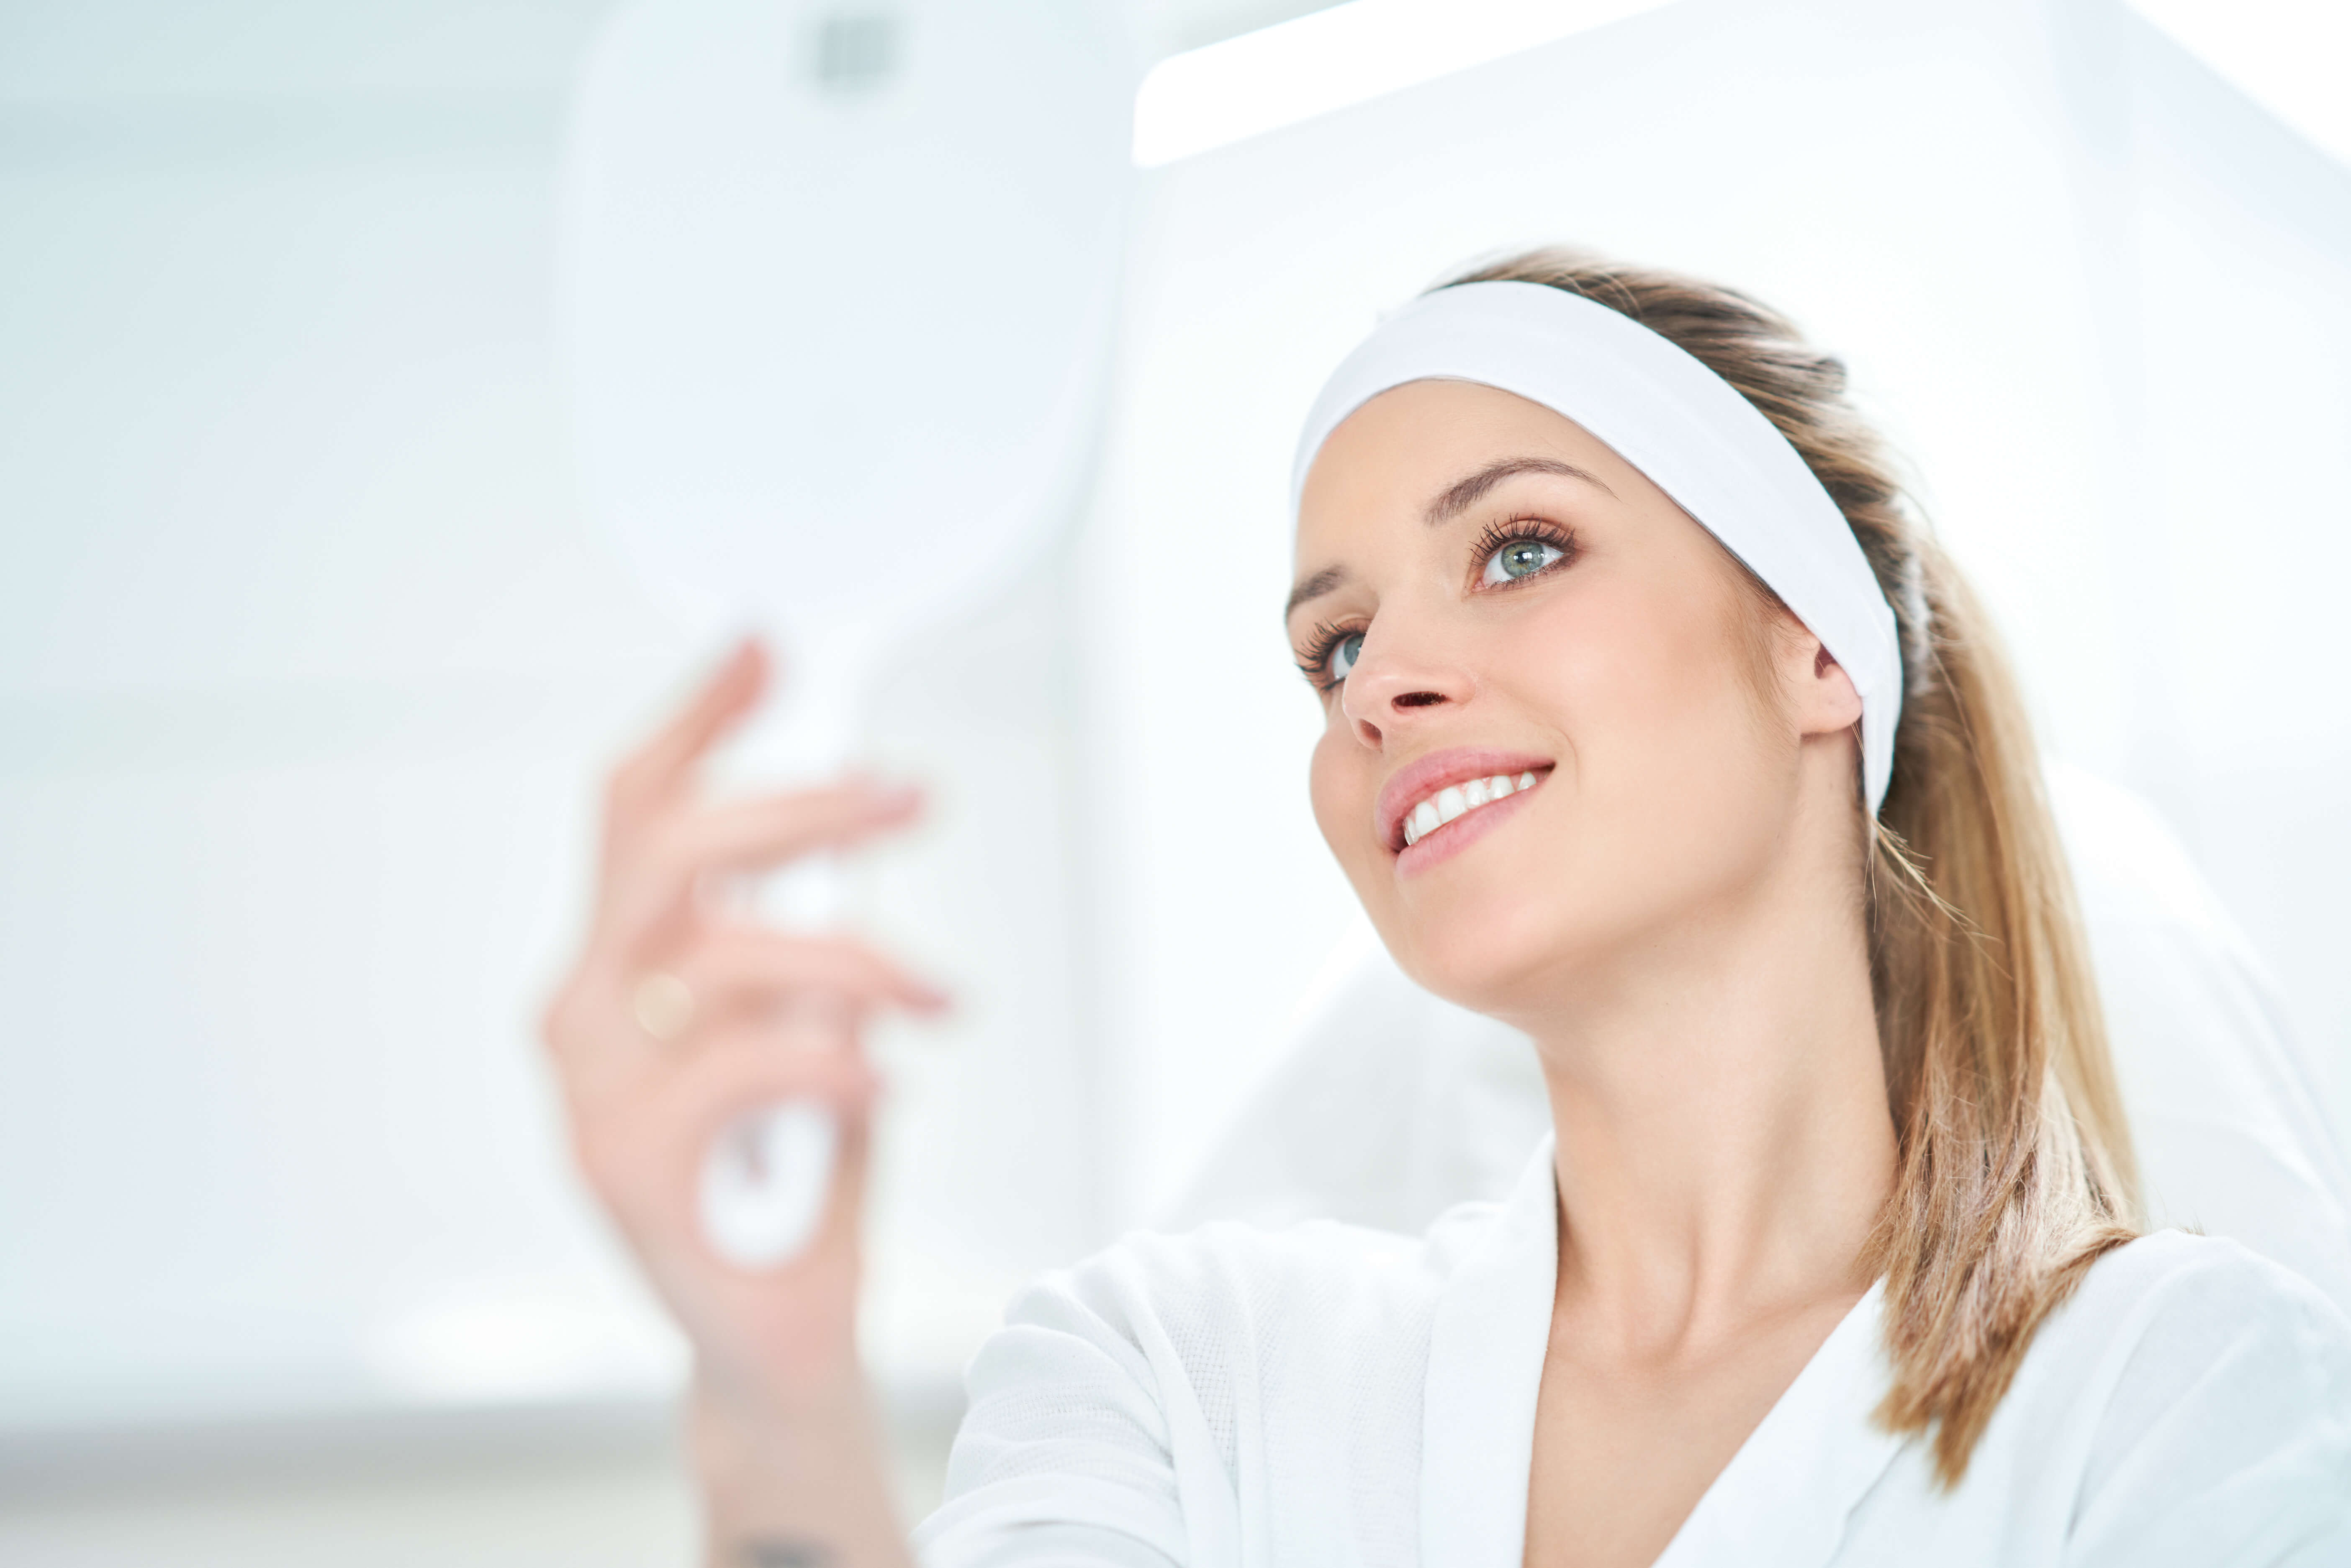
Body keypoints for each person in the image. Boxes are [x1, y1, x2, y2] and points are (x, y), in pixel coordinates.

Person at [541, 251, 2351, 1567]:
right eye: (1331, 645)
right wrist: (772, 1398)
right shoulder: (1184, 1376)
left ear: (1813, 647)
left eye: (1518, 549)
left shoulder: (2181, 1399)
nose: (1379, 679)